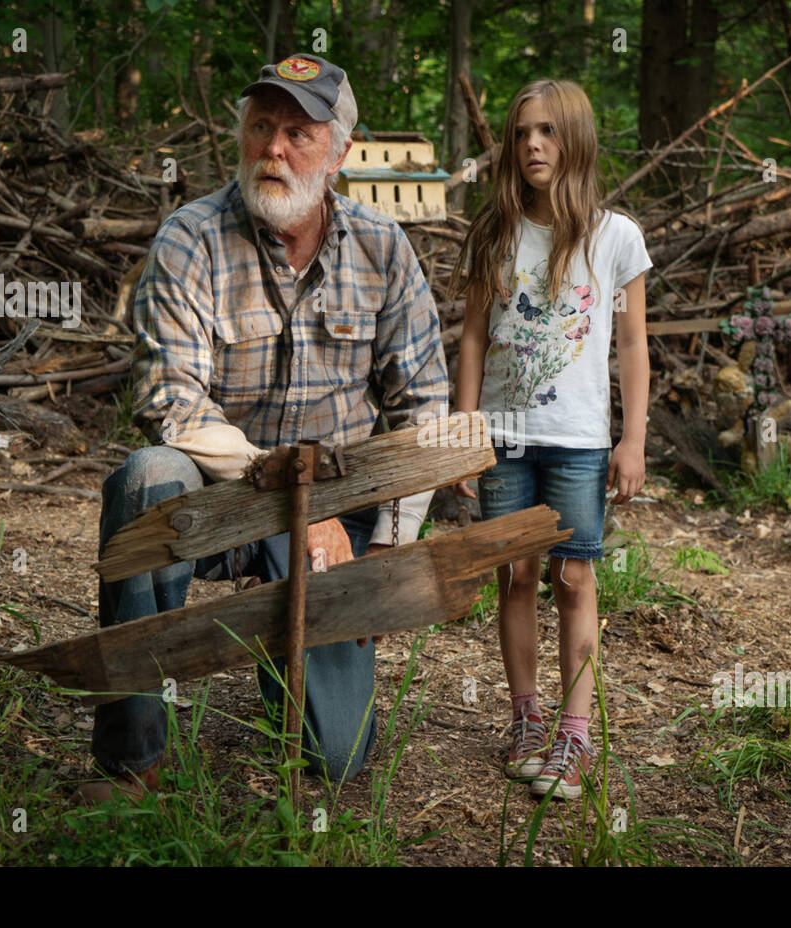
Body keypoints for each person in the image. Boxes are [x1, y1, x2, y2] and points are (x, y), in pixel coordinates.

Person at [81, 53, 448, 803]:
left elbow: (426, 411)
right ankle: (133, 758)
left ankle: (292, 660)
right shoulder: (190, 240)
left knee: (339, 758)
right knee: (147, 476)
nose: (273, 148)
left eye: (298, 133)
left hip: (336, 519)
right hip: (223, 497)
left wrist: (385, 550)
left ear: (340, 154)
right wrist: (287, 492)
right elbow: (169, 399)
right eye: (260, 127)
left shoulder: (383, 250)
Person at [450, 78, 652, 800]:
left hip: (577, 440)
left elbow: (632, 344)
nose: (532, 144)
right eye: (521, 132)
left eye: (547, 131)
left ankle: (575, 731)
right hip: (503, 437)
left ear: (575, 139)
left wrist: (632, 439)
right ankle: (526, 718)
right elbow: (473, 335)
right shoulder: (495, 231)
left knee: (573, 577)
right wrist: (464, 429)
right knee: (516, 575)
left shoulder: (616, 236)